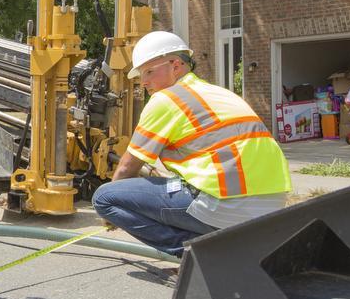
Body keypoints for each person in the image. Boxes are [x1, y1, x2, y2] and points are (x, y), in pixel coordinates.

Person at [92, 32, 292, 259]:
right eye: (140, 74)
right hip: (272, 207)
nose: (144, 82)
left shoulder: (166, 99)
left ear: (175, 65)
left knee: (105, 197)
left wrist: (110, 215)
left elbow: (127, 167)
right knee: (171, 184)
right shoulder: (218, 92)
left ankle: (194, 256)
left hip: (225, 205)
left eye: (149, 72)